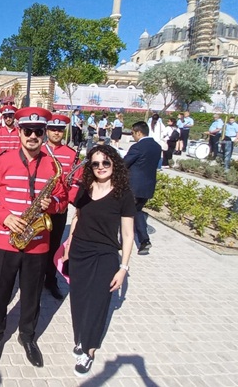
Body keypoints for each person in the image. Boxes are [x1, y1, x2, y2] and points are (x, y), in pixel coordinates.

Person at [0, 107, 67, 369]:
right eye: (28, 130)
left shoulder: (53, 165)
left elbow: (63, 199)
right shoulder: (3, 161)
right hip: (6, 239)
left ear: (44, 133)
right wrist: (4, 216)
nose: (33, 136)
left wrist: (51, 205)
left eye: (38, 131)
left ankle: (27, 336)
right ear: (19, 131)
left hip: (38, 241)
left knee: (31, 294)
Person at [62, 145, 135, 376]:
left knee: (98, 303)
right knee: (79, 300)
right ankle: (81, 338)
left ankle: (90, 350)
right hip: (79, 252)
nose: (101, 167)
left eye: (105, 162)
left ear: (114, 163)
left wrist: (123, 268)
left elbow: (129, 234)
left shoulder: (123, 194)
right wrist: (68, 247)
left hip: (105, 255)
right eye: (95, 163)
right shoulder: (85, 188)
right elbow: (77, 219)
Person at [40, 114, 80, 300]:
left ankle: (50, 278)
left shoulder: (72, 155)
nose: (56, 133)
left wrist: (66, 202)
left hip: (58, 208)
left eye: (60, 130)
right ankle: (33, 277)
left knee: (54, 245)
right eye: (53, 129)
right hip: (38, 206)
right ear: (47, 131)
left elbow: (77, 181)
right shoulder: (38, 150)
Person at [123, 121, 162, 256]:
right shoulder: (157, 147)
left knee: (122, 212)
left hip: (133, 186)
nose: (133, 136)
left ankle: (119, 241)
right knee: (137, 211)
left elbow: (124, 163)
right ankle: (144, 241)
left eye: (133, 133)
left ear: (139, 132)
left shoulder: (137, 147)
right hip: (147, 187)